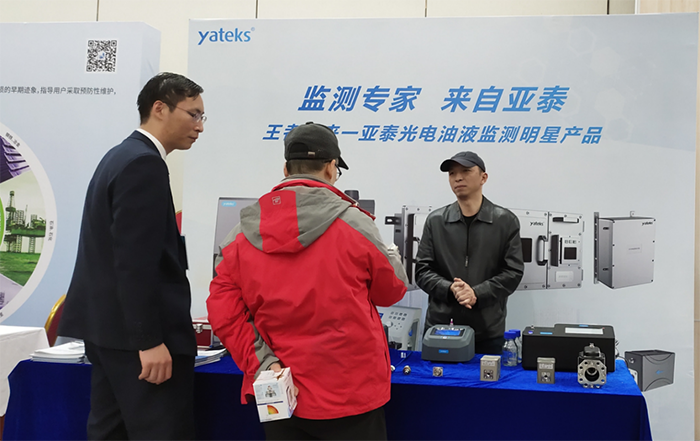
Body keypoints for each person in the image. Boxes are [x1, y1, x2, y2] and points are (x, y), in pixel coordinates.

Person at [207, 121, 408, 441]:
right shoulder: (355, 224)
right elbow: (391, 290)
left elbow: (223, 312)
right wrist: (391, 254)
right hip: (351, 393)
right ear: (331, 168)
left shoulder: (241, 234)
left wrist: (263, 364)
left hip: (281, 393)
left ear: (286, 169)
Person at [58, 72, 205, 441]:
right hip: (138, 342)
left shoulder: (119, 156)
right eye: (193, 114)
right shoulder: (143, 164)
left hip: (108, 333)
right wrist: (148, 340)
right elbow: (134, 262)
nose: (200, 126)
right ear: (159, 108)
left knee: (109, 431)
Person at [415, 151, 523, 355]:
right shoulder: (436, 221)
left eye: (465, 171)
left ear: (483, 177)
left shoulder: (505, 221)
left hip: (487, 330)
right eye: (452, 173)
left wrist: (476, 293)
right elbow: (422, 271)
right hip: (441, 328)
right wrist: (450, 288)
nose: (458, 178)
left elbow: (513, 272)